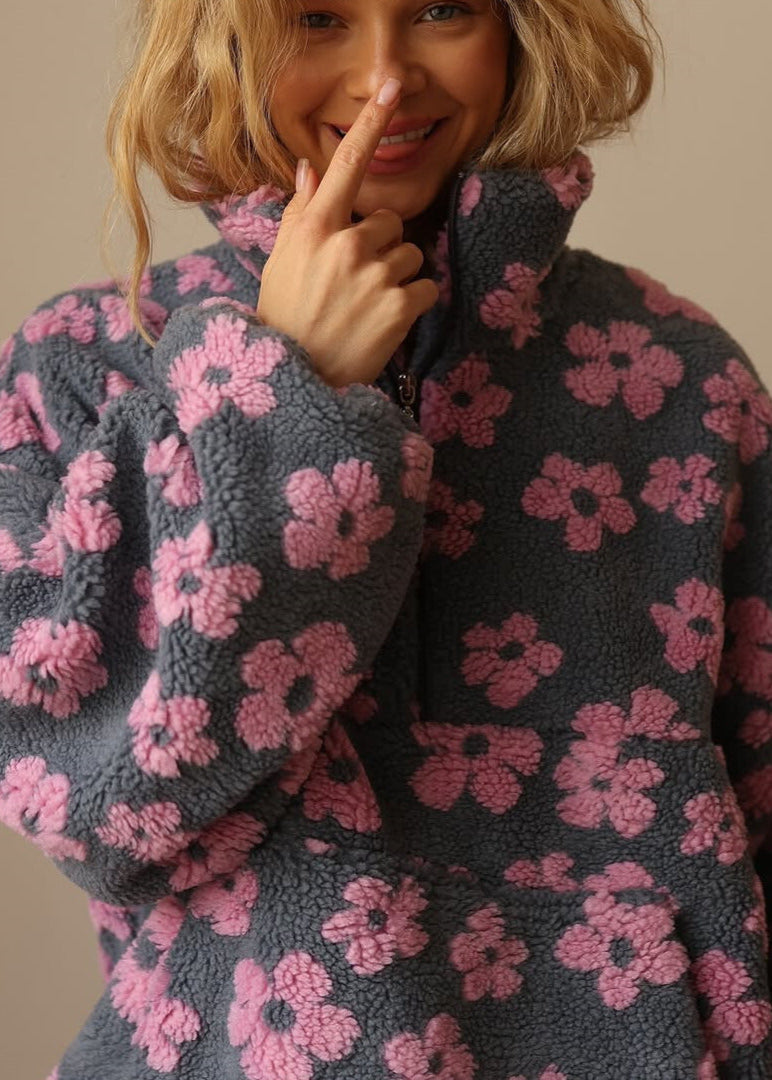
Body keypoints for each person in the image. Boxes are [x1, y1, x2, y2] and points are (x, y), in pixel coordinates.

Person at [1, 1, 771, 1077]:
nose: (384, 78)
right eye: (317, 17)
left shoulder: (678, 374)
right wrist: (279, 384)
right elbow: (95, 808)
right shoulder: (89, 366)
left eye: (441, 9)